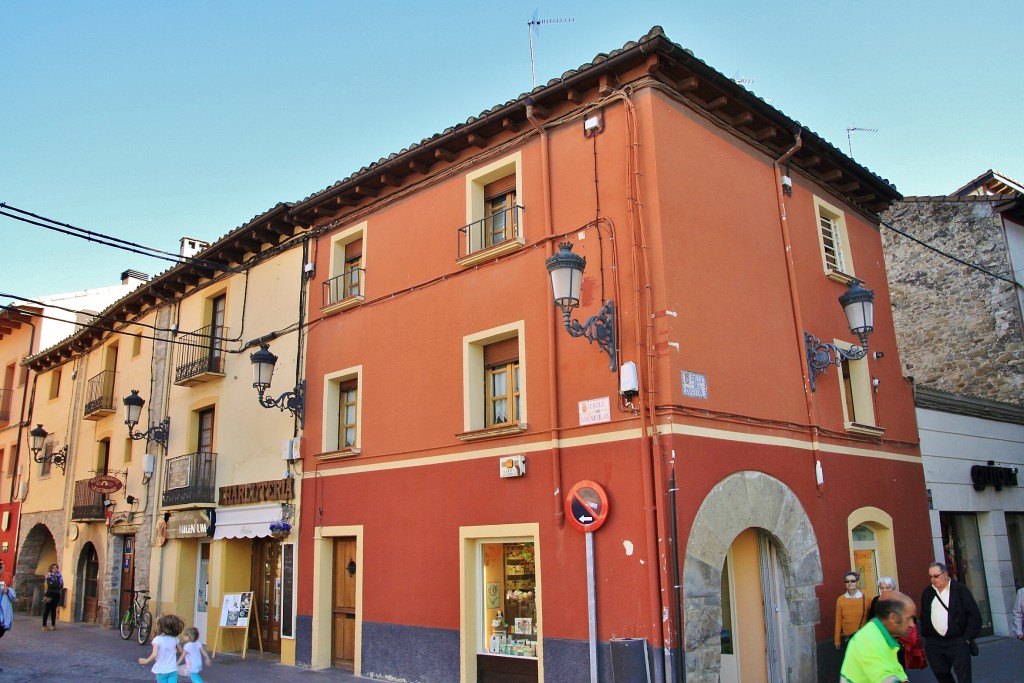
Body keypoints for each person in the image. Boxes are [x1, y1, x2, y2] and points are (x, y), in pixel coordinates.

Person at [919, 561, 981, 683]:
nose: (933, 579)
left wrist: (967, 639)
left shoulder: (960, 590)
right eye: (930, 576)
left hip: (957, 641)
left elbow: (975, 616)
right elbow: (924, 616)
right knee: (941, 675)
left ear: (945, 574)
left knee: (964, 677)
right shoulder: (928, 592)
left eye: (936, 576)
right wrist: (926, 639)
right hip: (934, 644)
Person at [840, 590, 917, 683]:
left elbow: (897, 673)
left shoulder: (883, 636)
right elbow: (886, 679)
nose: (912, 624)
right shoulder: (868, 640)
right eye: (909, 618)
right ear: (893, 618)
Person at [138, 613, 184, 683]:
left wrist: (146, 661)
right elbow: (181, 651)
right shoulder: (175, 639)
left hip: (161, 669)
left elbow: (154, 654)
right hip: (172, 669)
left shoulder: (157, 639)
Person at [835, 571, 869, 655]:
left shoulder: (867, 599)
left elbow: (871, 619)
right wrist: (837, 640)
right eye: (847, 581)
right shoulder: (840, 599)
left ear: (857, 583)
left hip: (863, 638)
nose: (850, 583)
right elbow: (838, 621)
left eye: (852, 581)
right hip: (848, 638)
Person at [41, 563, 62, 630]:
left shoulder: (59, 575)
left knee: (54, 609)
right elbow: (50, 585)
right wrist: (56, 584)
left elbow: (61, 584)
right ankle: (44, 626)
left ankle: (53, 625)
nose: (55, 569)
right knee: (47, 610)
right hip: (49, 594)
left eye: (56, 567)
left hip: (57, 594)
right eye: (53, 568)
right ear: (51, 568)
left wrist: (55, 584)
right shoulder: (48, 575)